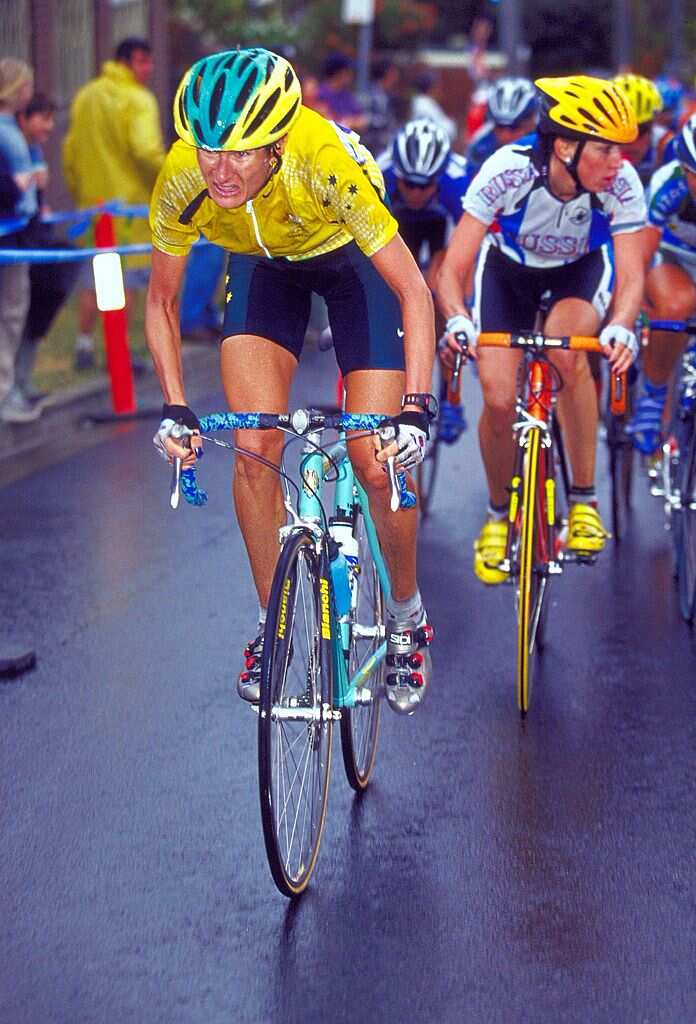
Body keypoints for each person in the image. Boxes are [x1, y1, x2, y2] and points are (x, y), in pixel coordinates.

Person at [147, 49, 436, 715]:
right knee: (253, 449)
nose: (220, 169)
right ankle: (271, 626)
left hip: (350, 264)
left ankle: (406, 612)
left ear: (277, 144)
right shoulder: (183, 177)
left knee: (374, 456)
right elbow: (160, 304)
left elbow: (414, 293)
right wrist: (175, 407)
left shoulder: (323, 161)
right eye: (208, 149)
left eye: (242, 153)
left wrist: (415, 410)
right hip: (262, 267)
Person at [436, 75, 645, 582]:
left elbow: (633, 273)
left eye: (620, 149)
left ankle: (583, 501)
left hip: (579, 273)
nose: (618, 161)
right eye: (605, 149)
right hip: (508, 274)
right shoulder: (508, 170)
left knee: (568, 354)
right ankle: (497, 512)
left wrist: (620, 326)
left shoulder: (620, 182)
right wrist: (457, 317)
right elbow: (453, 268)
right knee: (499, 395)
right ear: (565, 146)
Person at [63, 37, 164, 371]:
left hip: (95, 206)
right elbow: (146, 151)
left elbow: (70, 153)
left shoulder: (86, 96)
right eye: (143, 62)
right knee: (127, 282)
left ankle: (85, 344)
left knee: (98, 277)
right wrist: (166, 181)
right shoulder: (138, 99)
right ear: (126, 62)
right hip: (130, 209)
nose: (148, 69)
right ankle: (117, 353)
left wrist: (81, 193)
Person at [379, 119, 470, 442]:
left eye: (424, 185)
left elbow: (467, 248)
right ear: (398, 175)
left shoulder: (458, 180)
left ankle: (452, 401)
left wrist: (456, 298)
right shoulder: (380, 173)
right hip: (398, 228)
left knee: (441, 296)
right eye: (409, 184)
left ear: (438, 178)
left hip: (441, 233)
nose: (416, 192)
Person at [627, 116, 696, 454]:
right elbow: (642, 250)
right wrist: (633, 300)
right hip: (674, 258)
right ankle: (653, 397)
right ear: (683, 168)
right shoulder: (668, 184)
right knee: (676, 306)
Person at [12, 93, 79, 406]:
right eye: (44, 118)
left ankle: (21, 383)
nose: (50, 126)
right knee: (15, 314)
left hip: (34, 239)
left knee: (35, 308)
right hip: (17, 242)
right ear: (24, 118)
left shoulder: (34, 150)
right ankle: (12, 389)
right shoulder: (11, 148)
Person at [0, 57, 38, 425]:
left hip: (13, 231)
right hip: (9, 233)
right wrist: (20, 187)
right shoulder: (6, 131)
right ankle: (4, 394)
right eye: (25, 85)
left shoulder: (12, 128)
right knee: (10, 312)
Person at [465, 77, 539, 177]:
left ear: (532, 120)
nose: (505, 136)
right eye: (499, 127)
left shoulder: (550, 142)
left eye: (514, 127)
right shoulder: (479, 147)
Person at [613, 73, 667, 185]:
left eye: (640, 130)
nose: (630, 141)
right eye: (620, 131)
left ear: (653, 124)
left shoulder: (666, 144)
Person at [361, 58, 401, 157]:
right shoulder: (371, 93)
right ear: (387, 73)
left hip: (385, 146)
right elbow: (364, 119)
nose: (396, 76)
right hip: (373, 148)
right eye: (394, 72)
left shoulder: (387, 94)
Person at [316, 54, 366, 132]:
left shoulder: (346, 94)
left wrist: (351, 122)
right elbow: (328, 121)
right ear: (339, 73)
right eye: (348, 71)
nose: (351, 75)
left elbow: (362, 120)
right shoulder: (319, 94)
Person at [411, 72, 457, 142]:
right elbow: (445, 131)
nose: (439, 90)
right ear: (431, 88)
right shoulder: (424, 105)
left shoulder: (426, 102)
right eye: (437, 87)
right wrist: (452, 124)